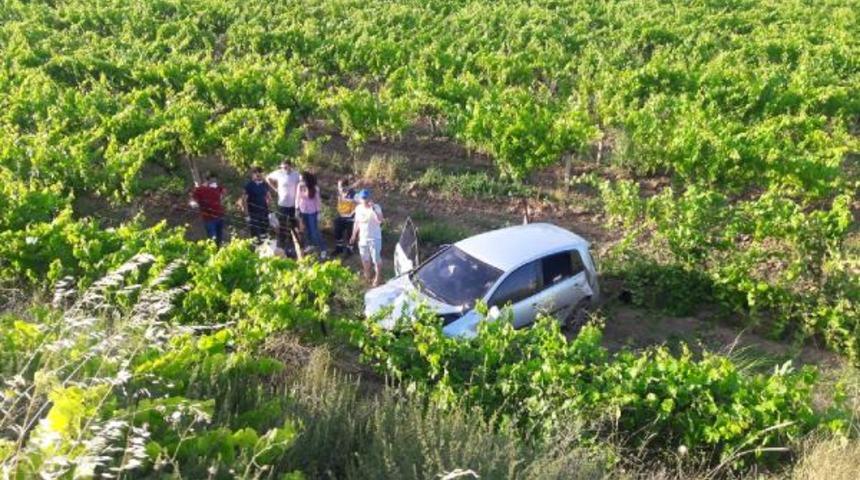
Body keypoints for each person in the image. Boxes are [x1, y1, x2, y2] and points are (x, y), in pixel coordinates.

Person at [350, 189, 384, 286]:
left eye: (366, 198)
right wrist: (353, 235)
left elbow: (380, 220)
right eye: (362, 198)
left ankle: (378, 277)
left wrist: (373, 209)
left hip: (374, 238)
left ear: (369, 198)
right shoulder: (358, 208)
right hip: (363, 238)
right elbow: (356, 222)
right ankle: (367, 274)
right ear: (360, 199)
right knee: (365, 258)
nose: (364, 200)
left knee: (376, 259)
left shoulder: (376, 207)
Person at [266, 159, 301, 252]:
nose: (284, 169)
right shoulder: (279, 173)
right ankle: (281, 244)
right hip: (282, 204)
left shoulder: (296, 174)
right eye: (283, 167)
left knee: (294, 225)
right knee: (282, 224)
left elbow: (302, 181)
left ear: (290, 166)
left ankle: (294, 244)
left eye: (286, 167)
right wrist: (275, 188)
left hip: (293, 204)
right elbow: (267, 178)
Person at [190, 172, 226, 248]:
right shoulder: (200, 189)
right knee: (213, 239)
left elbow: (223, 193)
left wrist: (222, 196)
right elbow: (192, 199)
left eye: (216, 180)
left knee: (219, 239)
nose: (215, 182)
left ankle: (219, 253)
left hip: (219, 217)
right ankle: (212, 254)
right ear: (207, 180)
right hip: (209, 219)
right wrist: (193, 203)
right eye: (213, 180)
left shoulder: (217, 188)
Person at [295, 171, 327, 258]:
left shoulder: (315, 188)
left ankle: (323, 249)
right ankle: (310, 245)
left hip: (312, 212)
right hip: (302, 211)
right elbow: (297, 198)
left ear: (306, 179)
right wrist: (297, 209)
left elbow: (318, 201)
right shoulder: (300, 186)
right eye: (300, 178)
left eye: (302, 178)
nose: (300, 179)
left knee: (314, 232)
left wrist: (319, 212)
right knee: (307, 230)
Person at [243, 166, 271, 242]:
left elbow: (269, 198)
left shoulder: (265, 185)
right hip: (253, 214)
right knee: (255, 236)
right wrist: (246, 214)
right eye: (256, 173)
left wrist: (269, 212)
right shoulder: (249, 185)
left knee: (264, 234)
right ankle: (255, 251)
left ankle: (264, 251)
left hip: (264, 213)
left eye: (260, 173)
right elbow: (244, 200)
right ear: (253, 174)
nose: (258, 175)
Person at [333, 178, 356, 256]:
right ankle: (339, 248)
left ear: (346, 186)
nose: (339, 188)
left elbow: (358, 205)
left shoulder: (353, 194)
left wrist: (351, 214)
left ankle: (350, 249)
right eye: (338, 186)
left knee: (350, 234)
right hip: (341, 216)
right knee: (337, 232)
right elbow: (339, 204)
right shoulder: (339, 193)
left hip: (350, 217)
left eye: (340, 186)